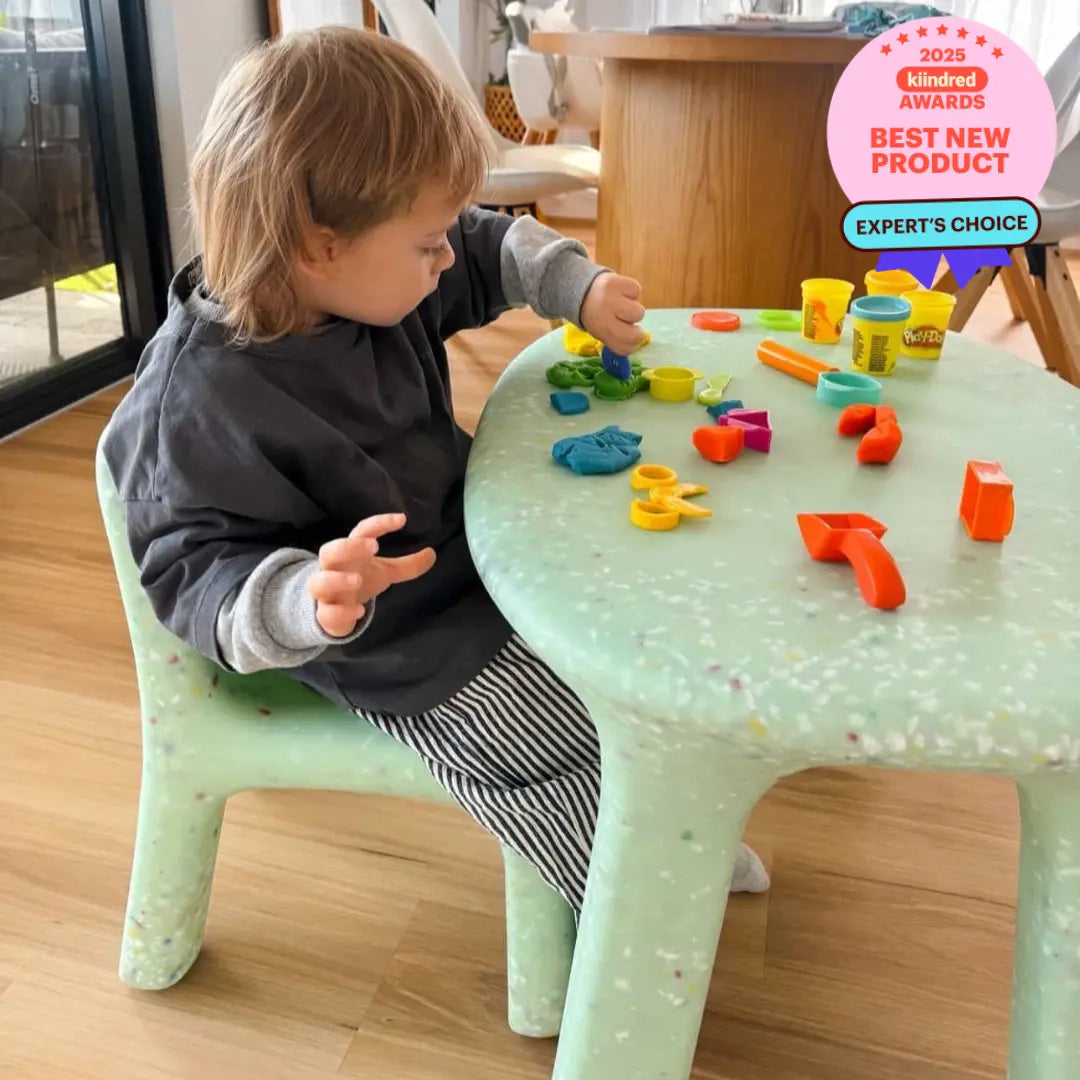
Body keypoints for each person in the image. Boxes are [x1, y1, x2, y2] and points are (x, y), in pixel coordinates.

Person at [102, 26, 768, 913]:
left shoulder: (367, 277)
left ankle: (663, 815)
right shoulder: (197, 402)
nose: (446, 257)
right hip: (396, 636)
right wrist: (309, 597)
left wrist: (576, 286)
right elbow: (188, 569)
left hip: (472, 553)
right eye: (426, 244)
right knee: (538, 738)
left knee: (626, 648)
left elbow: (488, 243)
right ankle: (636, 905)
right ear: (319, 244)